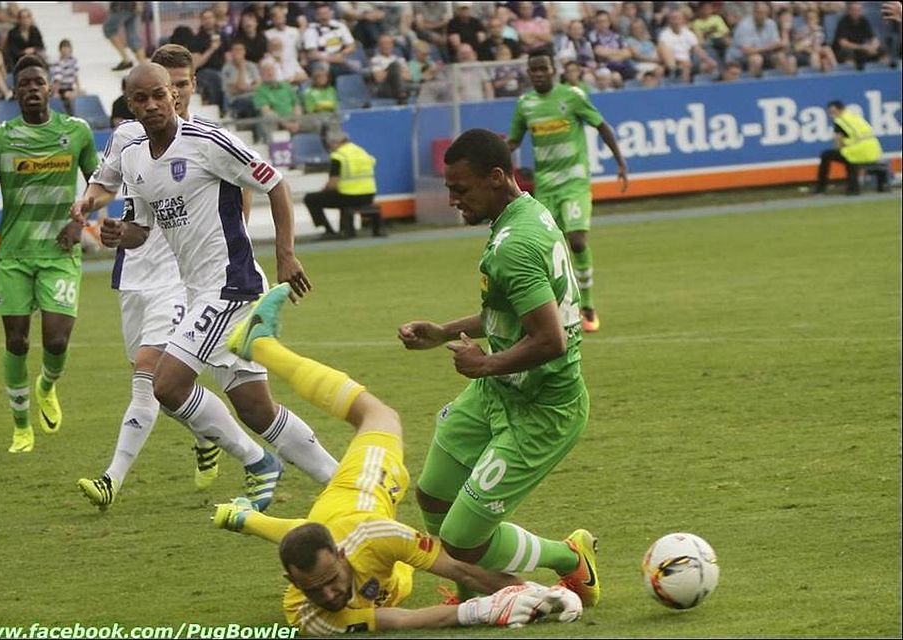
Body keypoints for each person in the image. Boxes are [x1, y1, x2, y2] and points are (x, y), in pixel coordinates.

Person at [213, 283, 586, 634]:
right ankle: (244, 515)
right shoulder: (307, 615)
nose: (328, 595)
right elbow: (403, 620)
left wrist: (530, 592)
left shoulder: (374, 538)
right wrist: (485, 610)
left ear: (342, 557)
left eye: (330, 581)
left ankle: (261, 345)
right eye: (315, 589)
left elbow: (462, 570)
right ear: (293, 584)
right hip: (353, 537)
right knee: (373, 545)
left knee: (378, 417)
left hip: (361, 491)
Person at [72, 50, 338, 510]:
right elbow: (141, 231)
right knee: (257, 409)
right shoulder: (134, 156)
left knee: (166, 384)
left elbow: (275, 183)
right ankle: (341, 481)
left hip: (230, 287)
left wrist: (286, 255)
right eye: (142, 98)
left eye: (160, 94)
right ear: (130, 105)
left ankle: (259, 464)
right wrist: (119, 234)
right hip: (199, 290)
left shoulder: (208, 141)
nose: (153, 104)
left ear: (175, 95)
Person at [397, 129, 602, 609]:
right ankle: (473, 591)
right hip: (499, 392)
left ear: (495, 177)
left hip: (542, 408)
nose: (451, 199)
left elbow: (549, 339)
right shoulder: (526, 212)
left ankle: (570, 558)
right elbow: (510, 313)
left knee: (463, 537)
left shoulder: (514, 245)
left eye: (460, 189)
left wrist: (484, 363)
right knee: (433, 495)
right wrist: (446, 332)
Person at [0, 54, 99, 454]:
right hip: (15, 255)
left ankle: (47, 385)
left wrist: (81, 221)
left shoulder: (76, 132)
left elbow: (99, 184)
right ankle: (21, 427)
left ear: (50, 88)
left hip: (59, 251)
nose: (33, 89)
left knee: (55, 340)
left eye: (39, 82)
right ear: (15, 92)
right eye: (25, 84)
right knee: (17, 342)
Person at [508, 50, 628, 333]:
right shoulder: (525, 105)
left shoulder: (572, 96)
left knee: (576, 241)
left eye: (542, 68)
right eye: (533, 69)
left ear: (554, 70)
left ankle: (588, 306)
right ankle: (557, 309)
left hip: (574, 183)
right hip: (545, 187)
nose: (537, 73)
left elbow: (601, 126)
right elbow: (513, 141)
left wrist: (620, 162)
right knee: (548, 250)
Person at [303, 129, 377, 239]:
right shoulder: (361, 152)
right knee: (339, 197)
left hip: (349, 195)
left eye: (330, 144)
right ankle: (345, 229)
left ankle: (328, 230)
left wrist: (323, 190)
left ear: (335, 142)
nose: (330, 147)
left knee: (310, 199)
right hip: (369, 195)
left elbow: (333, 184)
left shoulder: (338, 156)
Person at [813, 100, 887, 196]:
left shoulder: (839, 121)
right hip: (875, 151)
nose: (832, 115)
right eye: (830, 113)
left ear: (841, 110)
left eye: (833, 112)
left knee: (826, 155)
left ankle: (820, 188)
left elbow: (838, 142)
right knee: (848, 156)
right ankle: (861, 186)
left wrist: (841, 147)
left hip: (858, 152)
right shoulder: (855, 117)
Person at [656, 10, 717, 83]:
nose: (676, 21)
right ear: (669, 21)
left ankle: (709, 89)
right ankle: (685, 91)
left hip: (689, 62)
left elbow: (698, 49)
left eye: (678, 18)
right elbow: (664, 54)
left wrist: (709, 61)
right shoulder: (664, 35)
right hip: (674, 65)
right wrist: (682, 62)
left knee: (710, 65)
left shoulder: (688, 33)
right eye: (673, 18)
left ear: (683, 20)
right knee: (685, 67)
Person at [833, 1, 886, 70]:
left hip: (861, 50)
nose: (856, 12)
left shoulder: (864, 21)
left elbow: (874, 39)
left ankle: (883, 72)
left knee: (881, 50)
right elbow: (843, 43)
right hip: (847, 51)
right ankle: (850, 75)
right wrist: (863, 47)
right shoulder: (843, 22)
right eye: (854, 10)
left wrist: (873, 47)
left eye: (858, 10)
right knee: (847, 53)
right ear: (849, 11)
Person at [104, 1, 146, 71]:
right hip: (129, 6)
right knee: (133, 35)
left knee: (109, 29)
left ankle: (127, 60)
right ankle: (144, 65)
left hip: (123, 6)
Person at [51, 39, 82, 107]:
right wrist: (56, 93)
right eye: (64, 50)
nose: (66, 52)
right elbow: (57, 79)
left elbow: (76, 76)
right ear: (60, 51)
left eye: (67, 49)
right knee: (69, 95)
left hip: (70, 87)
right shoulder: (57, 62)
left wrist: (79, 89)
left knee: (81, 93)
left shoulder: (73, 61)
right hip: (60, 89)